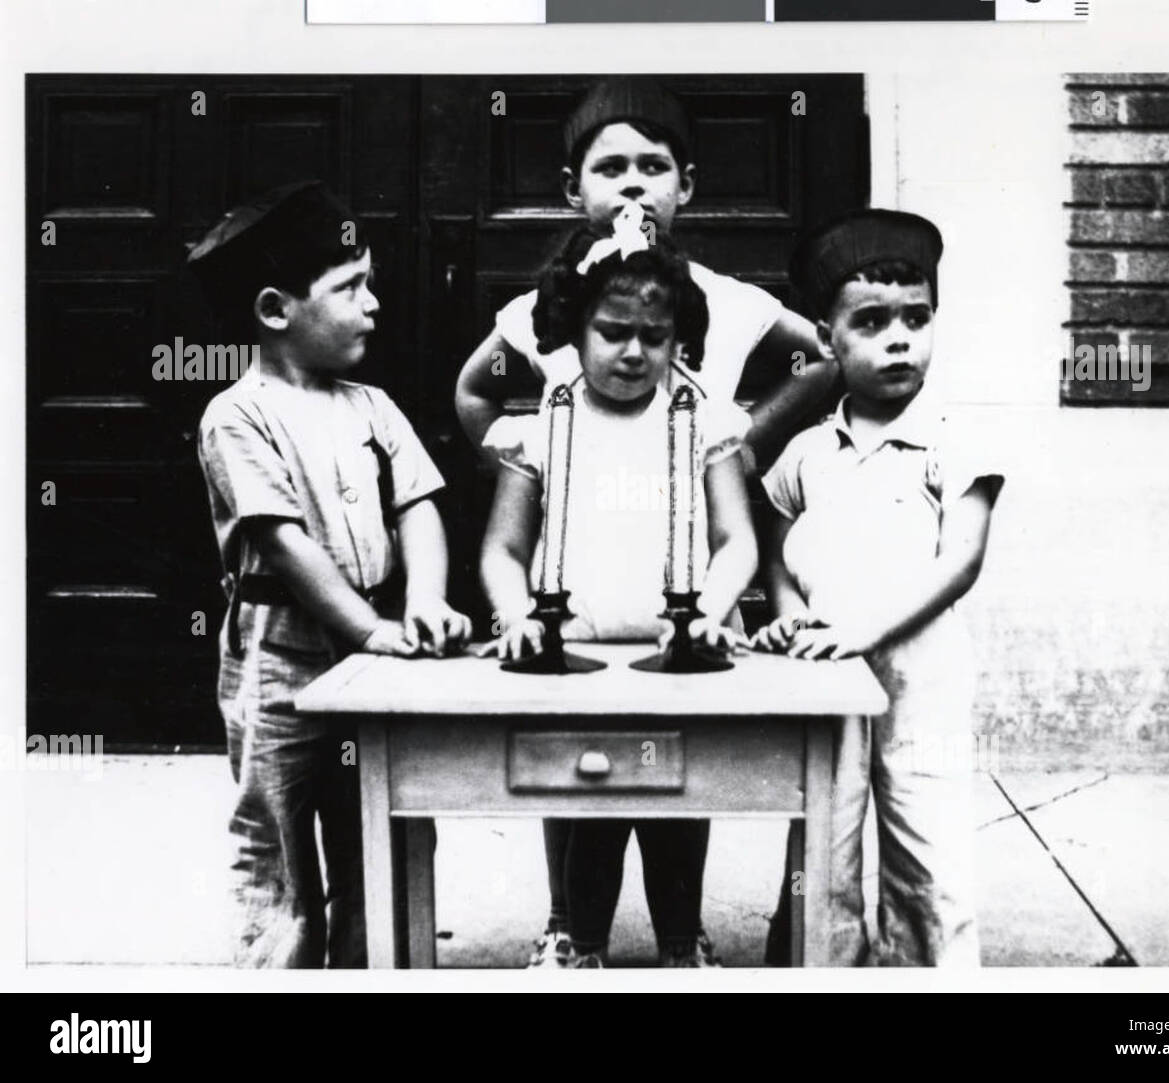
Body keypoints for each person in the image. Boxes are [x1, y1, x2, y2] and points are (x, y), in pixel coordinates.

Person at [456, 75, 833, 969]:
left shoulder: (723, 308)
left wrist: (740, 441)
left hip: (681, 607)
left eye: (652, 166)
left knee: (676, 771)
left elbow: (815, 365)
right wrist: (519, 455)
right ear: (571, 188)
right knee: (571, 770)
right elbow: (479, 406)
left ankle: (679, 934)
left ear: (686, 184)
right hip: (574, 613)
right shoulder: (545, 331)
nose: (632, 186)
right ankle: (569, 928)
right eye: (611, 167)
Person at [190, 181, 472, 967]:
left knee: (380, 819)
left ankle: (367, 967)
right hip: (277, 656)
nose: (373, 304)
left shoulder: (373, 405)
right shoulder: (237, 416)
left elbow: (418, 503)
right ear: (276, 310)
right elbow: (283, 541)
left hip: (373, 653)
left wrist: (422, 599)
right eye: (351, 287)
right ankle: (278, 969)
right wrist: (370, 629)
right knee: (276, 829)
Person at [479, 212, 758, 967]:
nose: (634, 352)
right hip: (572, 655)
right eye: (611, 331)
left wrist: (709, 611)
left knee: (675, 791)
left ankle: (680, 942)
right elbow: (503, 549)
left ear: (678, 338)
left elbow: (738, 541)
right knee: (580, 796)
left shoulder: (701, 425)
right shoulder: (545, 427)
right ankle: (574, 937)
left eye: (655, 337)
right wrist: (514, 616)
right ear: (574, 328)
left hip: (675, 652)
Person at [754, 209, 1004, 966]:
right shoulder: (807, 451)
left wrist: (866, 629)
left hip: (920, 674)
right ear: (826, 338)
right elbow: (772, 544)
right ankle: (818, 968)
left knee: (929, 844)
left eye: (916, 318)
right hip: (829, 677)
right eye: (871, 320)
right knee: (822, 845)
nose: (899, 338)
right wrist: (790, 614)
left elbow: (960, 561)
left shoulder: (953, 438)